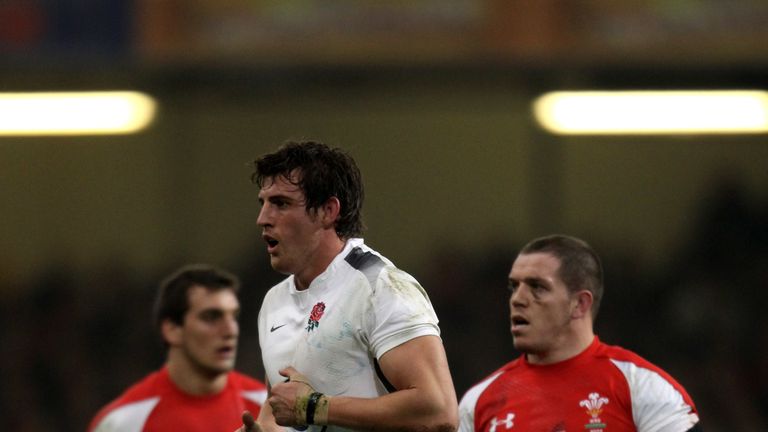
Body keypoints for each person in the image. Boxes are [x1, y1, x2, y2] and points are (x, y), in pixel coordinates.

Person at [238, 140, 458, 432]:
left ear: (328, 211)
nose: (262, 219)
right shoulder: (274, 302)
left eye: (280, 203)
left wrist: (314, 407)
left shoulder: (380, 287)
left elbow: (439, 411)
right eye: (263, 203)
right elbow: (282, 410)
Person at [458, 234, 701, 432]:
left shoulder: (644, 387)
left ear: (580, 304)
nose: (517, 299)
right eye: (514, 286)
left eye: (537, 287)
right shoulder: (477, 402)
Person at [88, 264, 267, 432]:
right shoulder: (123, 422)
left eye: (233, 316)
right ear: (172, 330)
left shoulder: (268, 408)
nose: (231, 330)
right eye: (211, 317)